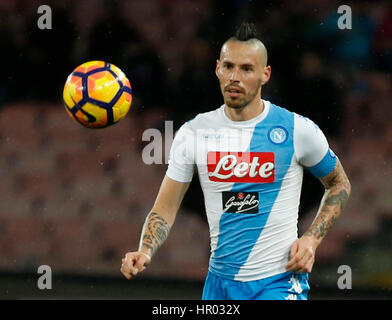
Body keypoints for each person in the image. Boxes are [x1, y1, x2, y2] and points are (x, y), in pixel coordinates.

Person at [120, 22, 351, 300]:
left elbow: (339, 184)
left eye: (246, 69)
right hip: (219, 285)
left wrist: (312, 240)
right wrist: (145, 250)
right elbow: (164, 209)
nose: (234, 77)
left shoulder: (296, 130)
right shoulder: (193, 133)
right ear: (217, 68)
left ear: (265, 74)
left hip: (277, 283)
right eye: (228, 66)